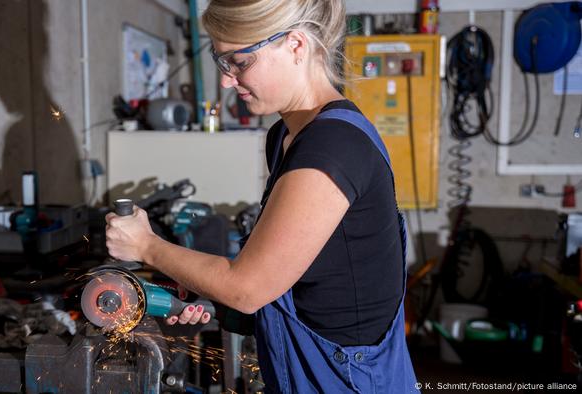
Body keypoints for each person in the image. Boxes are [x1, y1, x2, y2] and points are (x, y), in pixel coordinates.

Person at [105, 0, 419, 392]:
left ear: (295, 46)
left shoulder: (334, 146)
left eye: (239, 61)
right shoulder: (286, 137)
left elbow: (248, 288)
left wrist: (147, 246)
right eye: (223, 63)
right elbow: (296, 276)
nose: (226, 80)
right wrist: (208, 291)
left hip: (347, 381)